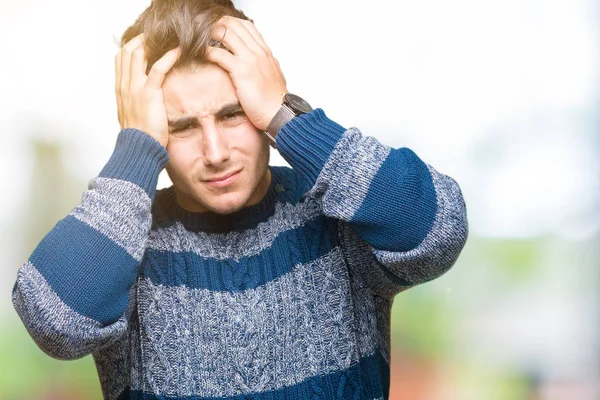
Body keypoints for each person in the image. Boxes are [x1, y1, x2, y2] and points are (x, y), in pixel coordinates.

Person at [11, 0, 469, 399]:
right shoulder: (122, 245)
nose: (215, 153)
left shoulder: (338, 207)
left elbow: (439, 233)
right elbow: (58, 325)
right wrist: (134, 149)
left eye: (233, 114)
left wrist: (288, 118)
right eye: (182, 127)